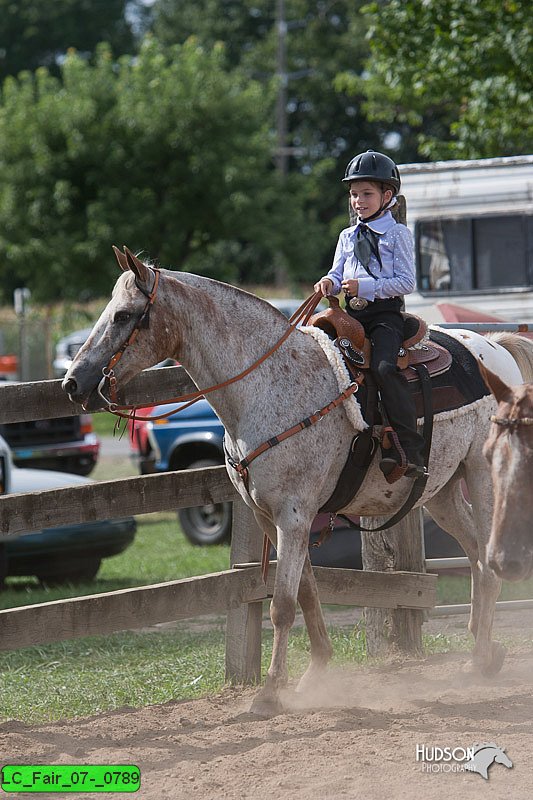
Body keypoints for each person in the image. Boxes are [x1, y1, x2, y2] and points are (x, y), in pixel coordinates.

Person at [314, 149, 426, 482]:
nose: (358, 201)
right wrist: (328, 282)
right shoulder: (347, 237)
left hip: (384, 316)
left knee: (384, 367)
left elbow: (406, 282)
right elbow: (337, 273)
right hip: (351, 317)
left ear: (386, 196)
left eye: (366, 194)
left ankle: (409, 445)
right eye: (353, 194)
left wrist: (364, 287)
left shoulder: (397, 235)